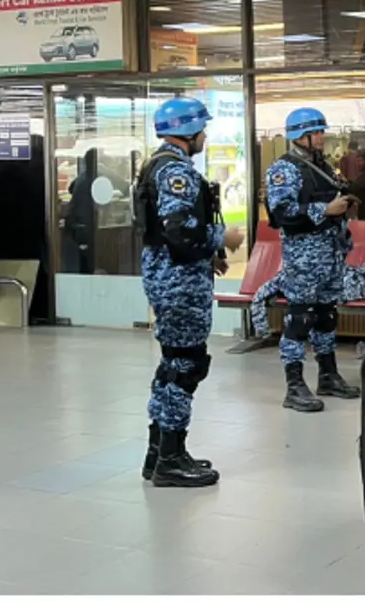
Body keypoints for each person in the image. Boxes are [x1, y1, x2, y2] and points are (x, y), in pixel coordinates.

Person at [136, 98, 244, 487]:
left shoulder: (159, 165)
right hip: (178, 281)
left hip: (174, 273)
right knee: (185, 367)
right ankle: (170, 459)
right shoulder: (175, 171)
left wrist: (207, 256)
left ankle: (159, 453)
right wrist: (222, 238)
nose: (205, 135)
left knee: (173, 365)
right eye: (203, 128)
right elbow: (179, 229)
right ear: (188, 130)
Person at [264, 108, 362, 413]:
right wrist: (325, 210)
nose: (321, 137)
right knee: (300, 319)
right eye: (315, 132)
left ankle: (328, 375)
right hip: (304, 256)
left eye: (321, 131)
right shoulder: (284, 169)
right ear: (300, 135)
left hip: (330, 252)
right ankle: (294, 385)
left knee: (326, 316)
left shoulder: (322, 166)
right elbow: (282, 214)